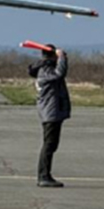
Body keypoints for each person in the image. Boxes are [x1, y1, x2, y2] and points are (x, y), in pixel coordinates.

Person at [29, 44, 70, 188]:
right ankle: (43, 176)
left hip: (52, 111)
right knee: (49, 145)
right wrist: (62, 58)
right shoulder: (45, 70)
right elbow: (60, 73)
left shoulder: (45, 68)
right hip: (50, 112)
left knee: (52, 145)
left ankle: (46, 174)